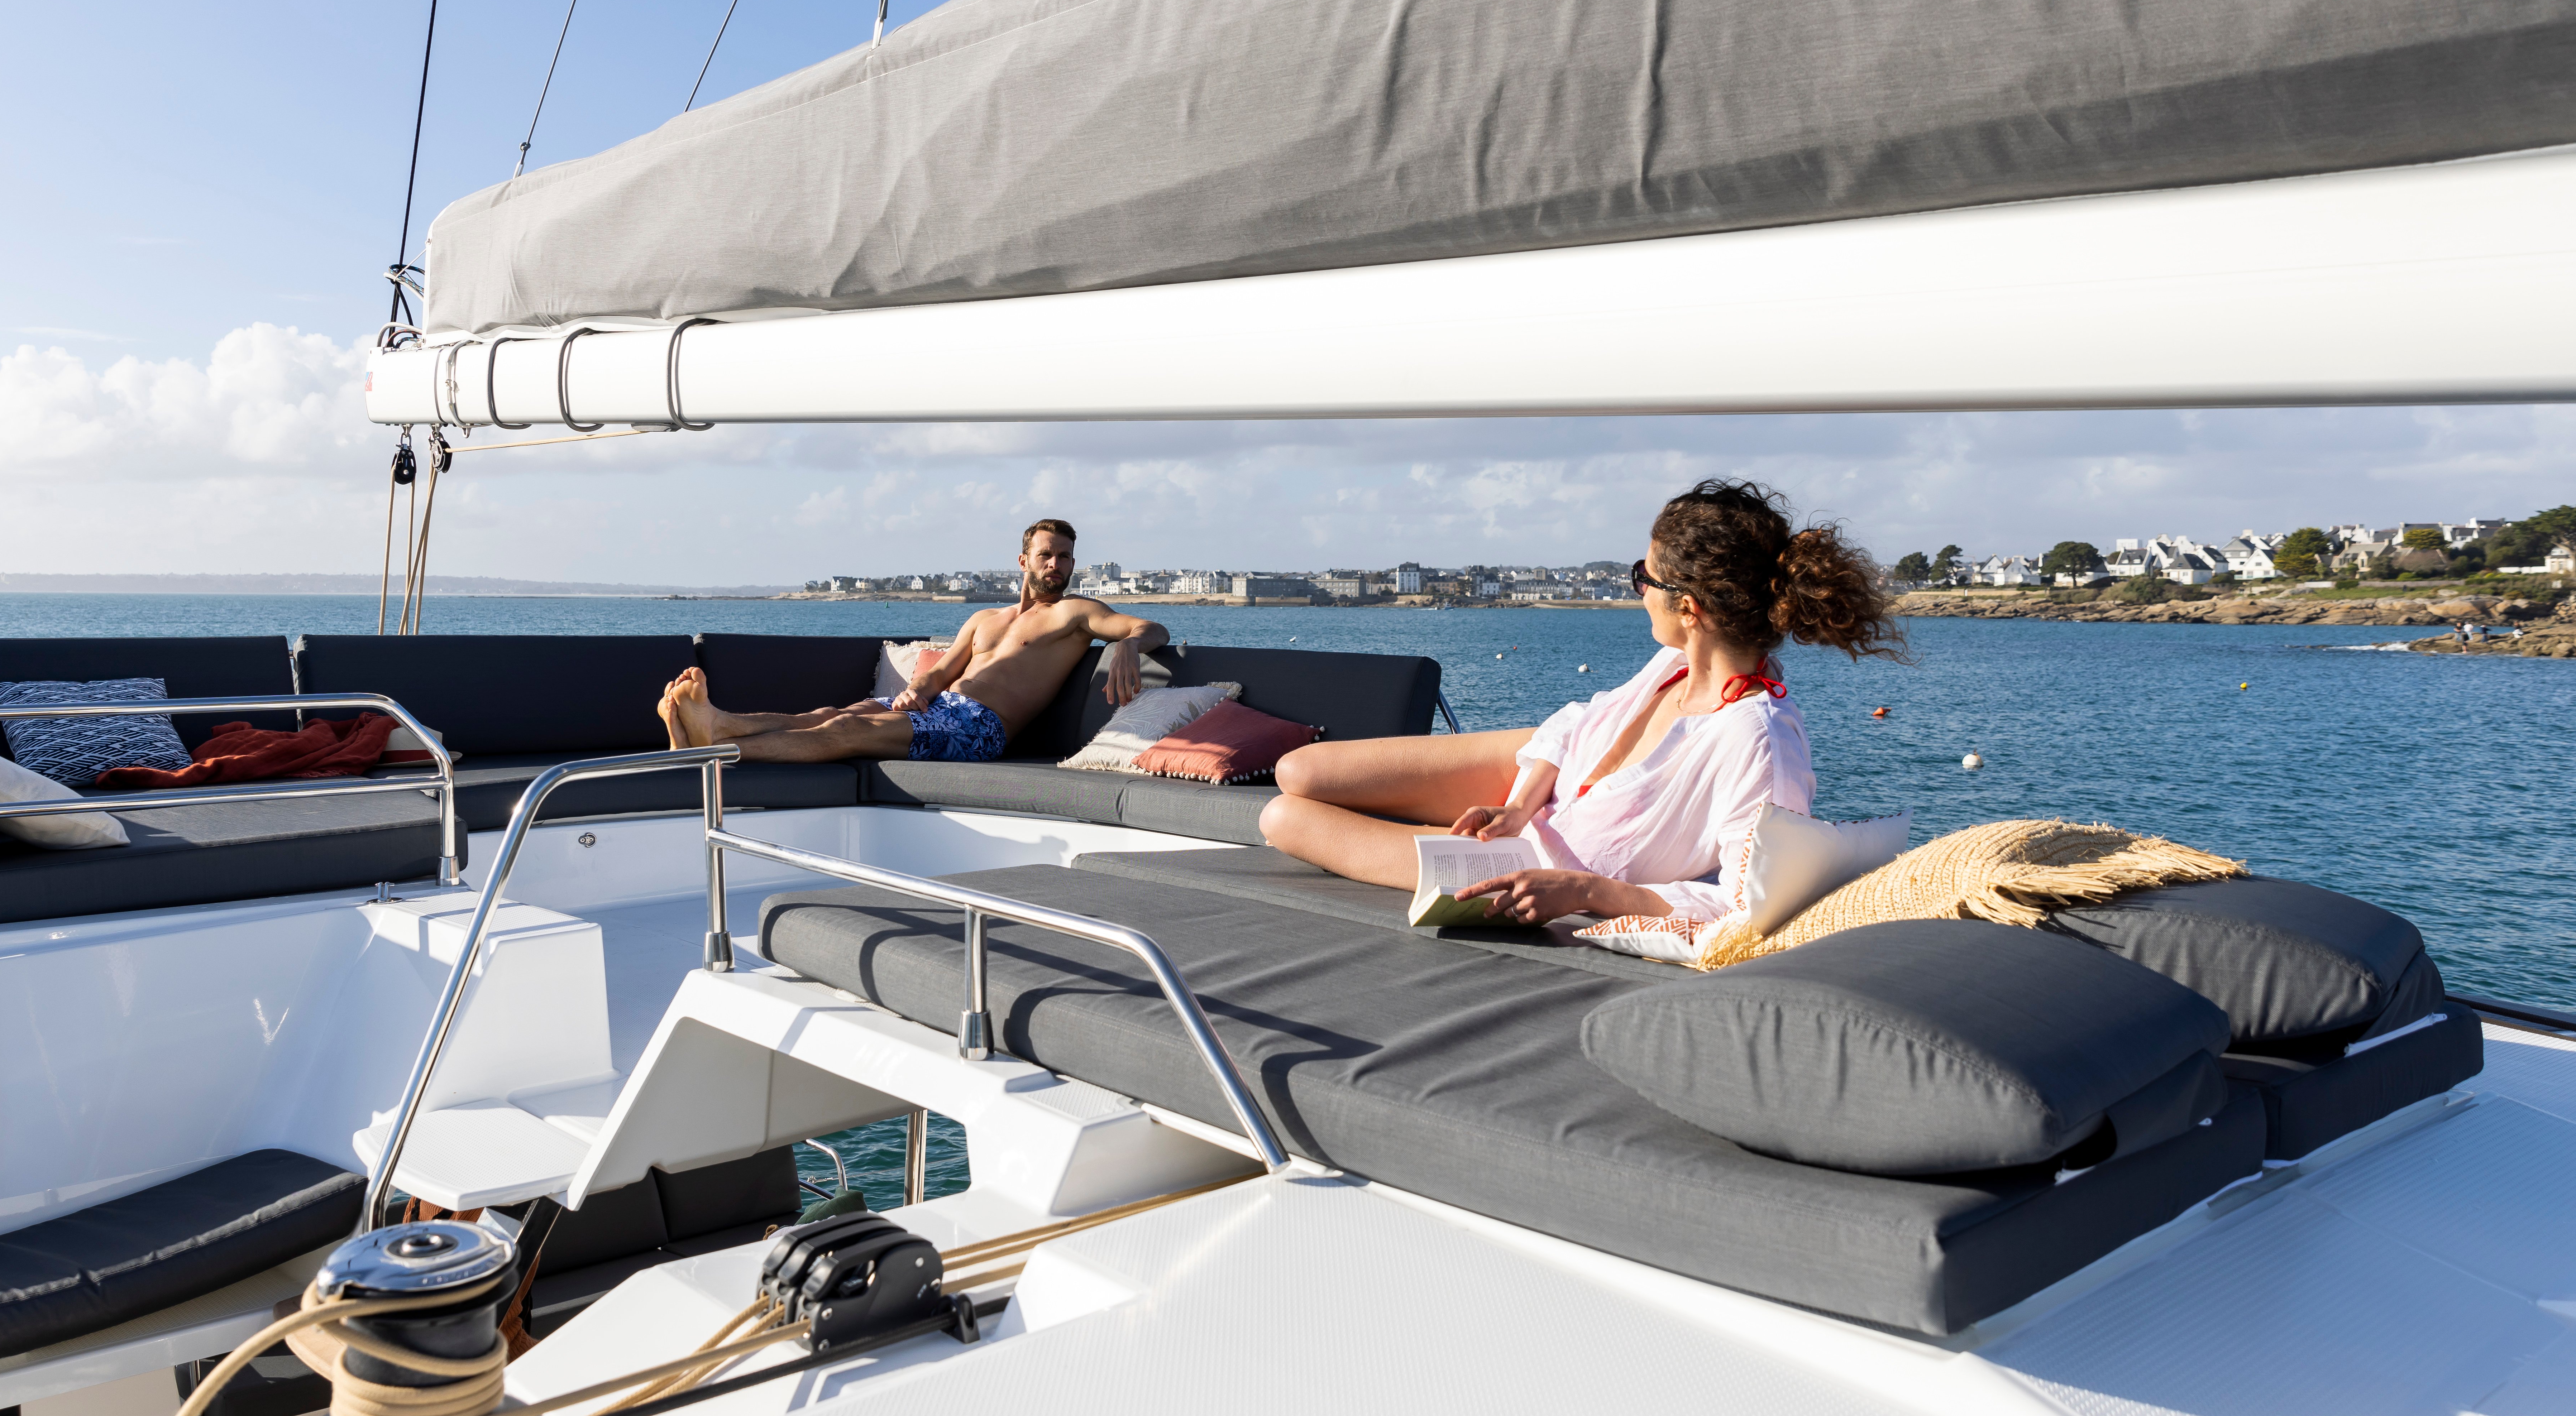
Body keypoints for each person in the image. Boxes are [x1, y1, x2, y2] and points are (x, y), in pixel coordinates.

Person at [1262, 479, 1903, 930]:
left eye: (1642, 578)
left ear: (1689, 607)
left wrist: (1588, 893)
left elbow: (1745, 904)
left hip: (1546, 868)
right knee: (1301, 771)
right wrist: (1517, 807)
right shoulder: (1672, 665)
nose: (1637, 591)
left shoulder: (1756, 740)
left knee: (1283, 819)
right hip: (1540, 801)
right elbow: (1575, 723)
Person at [659, 519, 1168, 763]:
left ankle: (716, 750)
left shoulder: (1077, 614)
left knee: (845, 732)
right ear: (1024, 561)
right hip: (938, 706)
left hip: (980, 730)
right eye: (1047, 555)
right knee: (830, 713)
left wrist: (1126, 644)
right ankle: (719, 724)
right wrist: (917, 688)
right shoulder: (984, 619)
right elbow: (942, 672)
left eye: (1066, 557)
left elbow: (1152, 630)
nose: (1058, 566)